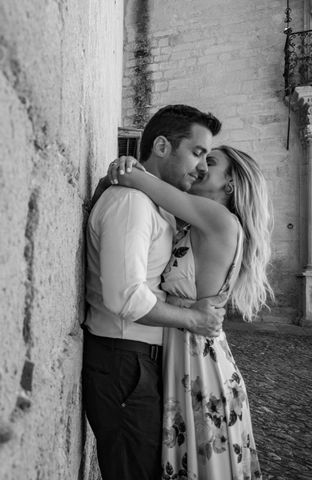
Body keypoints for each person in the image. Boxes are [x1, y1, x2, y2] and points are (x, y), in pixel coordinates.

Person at [107, 145, 272, 479]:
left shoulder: (218, 218)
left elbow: (137, 180)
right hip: (195, 350)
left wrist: (125, 164)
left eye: (209, 162)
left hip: (198, 360)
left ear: (230, 185)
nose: (199, 166)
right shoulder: (202, 222)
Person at [82, 104, 225, 480]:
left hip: (138, 362)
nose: (203, 167)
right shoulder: (132, 203)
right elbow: (126, 297)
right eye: (197, 152)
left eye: (208, 157)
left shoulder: (151, 202)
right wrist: (195, 319)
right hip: (123, 360)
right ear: (162, 146)